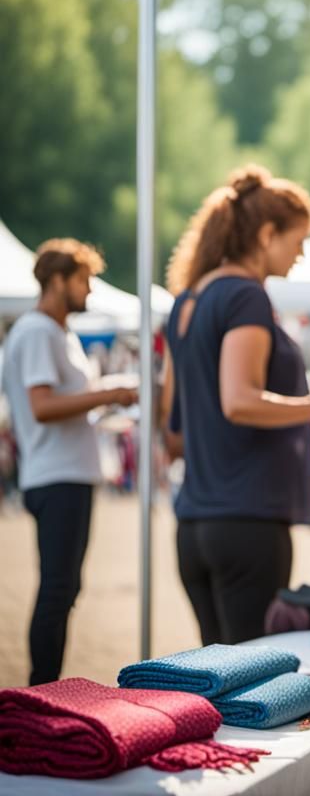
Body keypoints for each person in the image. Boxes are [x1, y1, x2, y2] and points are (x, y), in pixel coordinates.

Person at [163, 165, 310, 645]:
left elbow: (173, 428)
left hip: (194, 525)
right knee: (247, 681)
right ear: (267, 234)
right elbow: (239, 401)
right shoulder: (245, 296)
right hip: (245, 523)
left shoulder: (187, 301)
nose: (301, 253)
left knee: (217, 685)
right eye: (297, 239)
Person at [1, 239, 137, 684]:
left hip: (66, 473)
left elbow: (64, 404)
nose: (90, 291)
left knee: (63, 588)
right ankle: (41, 691)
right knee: (58, 589)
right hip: (56, 475)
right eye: (84, 280)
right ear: (58, 280)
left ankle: (45, 687)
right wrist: (110, 393)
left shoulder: (56, 332)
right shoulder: (39, 330)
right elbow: (42, 405)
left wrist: (105, 403)